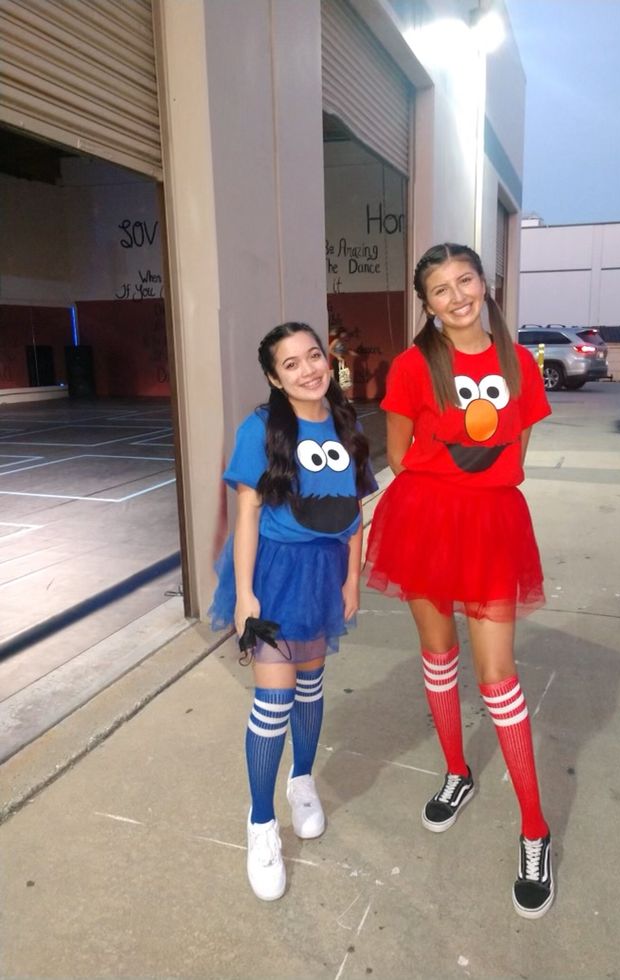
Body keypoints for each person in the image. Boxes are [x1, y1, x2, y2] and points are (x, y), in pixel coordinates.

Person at [364, 243, 554, 919]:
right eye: (438, 289)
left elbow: (513, 455)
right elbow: (395, 452)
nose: (455, 296)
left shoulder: (519, 364)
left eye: (463, 281)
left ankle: (534, 829)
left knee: (497, 675)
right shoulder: (415, 365)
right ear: (426, 303)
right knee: (438, 655)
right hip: (422, 519)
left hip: (491, 524)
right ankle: (456, 772)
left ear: (484, 283)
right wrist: (443, 482)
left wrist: (476, 488)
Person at [210, 322, 375, 901]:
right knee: (273, 701)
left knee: (310, 687)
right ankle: (260, 823)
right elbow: (246, 513)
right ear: (273, 378)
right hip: (275, 576)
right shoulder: (259, 430)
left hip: (325, 574)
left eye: (313, 356)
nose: (308, 370)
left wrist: (352, 577)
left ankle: (301, 782)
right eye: (291, 364)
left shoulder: (346, 424)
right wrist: (245, 593)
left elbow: (354, 508)